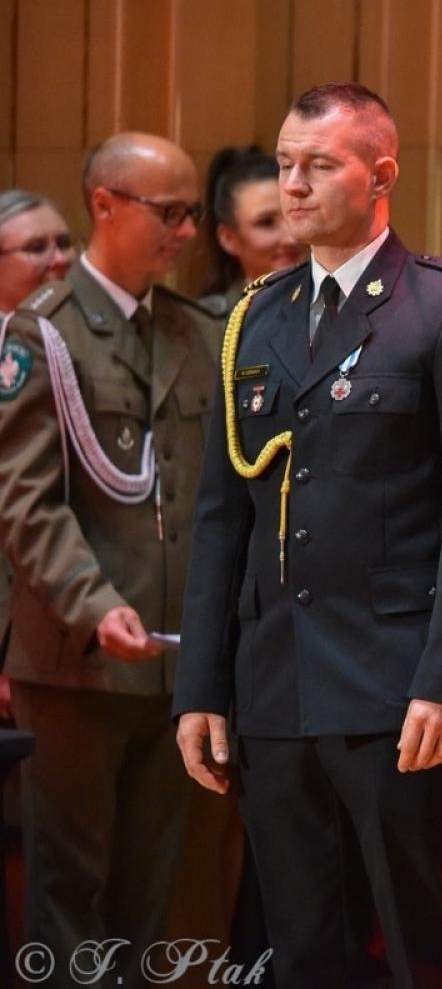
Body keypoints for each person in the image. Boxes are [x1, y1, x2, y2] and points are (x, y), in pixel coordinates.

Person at [173, 82, 442, 988]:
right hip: (276, 687)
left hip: (395, 688)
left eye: (319, 164)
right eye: (286, 165)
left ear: (382, 174)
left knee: (422, 941)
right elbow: (222, 516)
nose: (293, 185)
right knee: (305, 945)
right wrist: (201, 687)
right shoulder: (256, 315)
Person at [0, 135, 218, 972]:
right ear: (105, 205)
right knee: (69, 892)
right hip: (78, 662)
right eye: (170, 213)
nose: (186, 231)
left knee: (152, 897)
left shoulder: (196, 331)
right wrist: (94, 604)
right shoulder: (42, 337)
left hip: (174, 663)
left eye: (193, 212)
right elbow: (24, 499)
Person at [0, 189, 75, 721]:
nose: (59, 259)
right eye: (36, 247)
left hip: (64, 626)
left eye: (65, 242)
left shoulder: (78, 342)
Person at [199, 145, 306, 312]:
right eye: (266, 223)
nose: (291, 238)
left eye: (295, 215)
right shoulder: (205, 323)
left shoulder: (338, 307)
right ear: (228, 238)